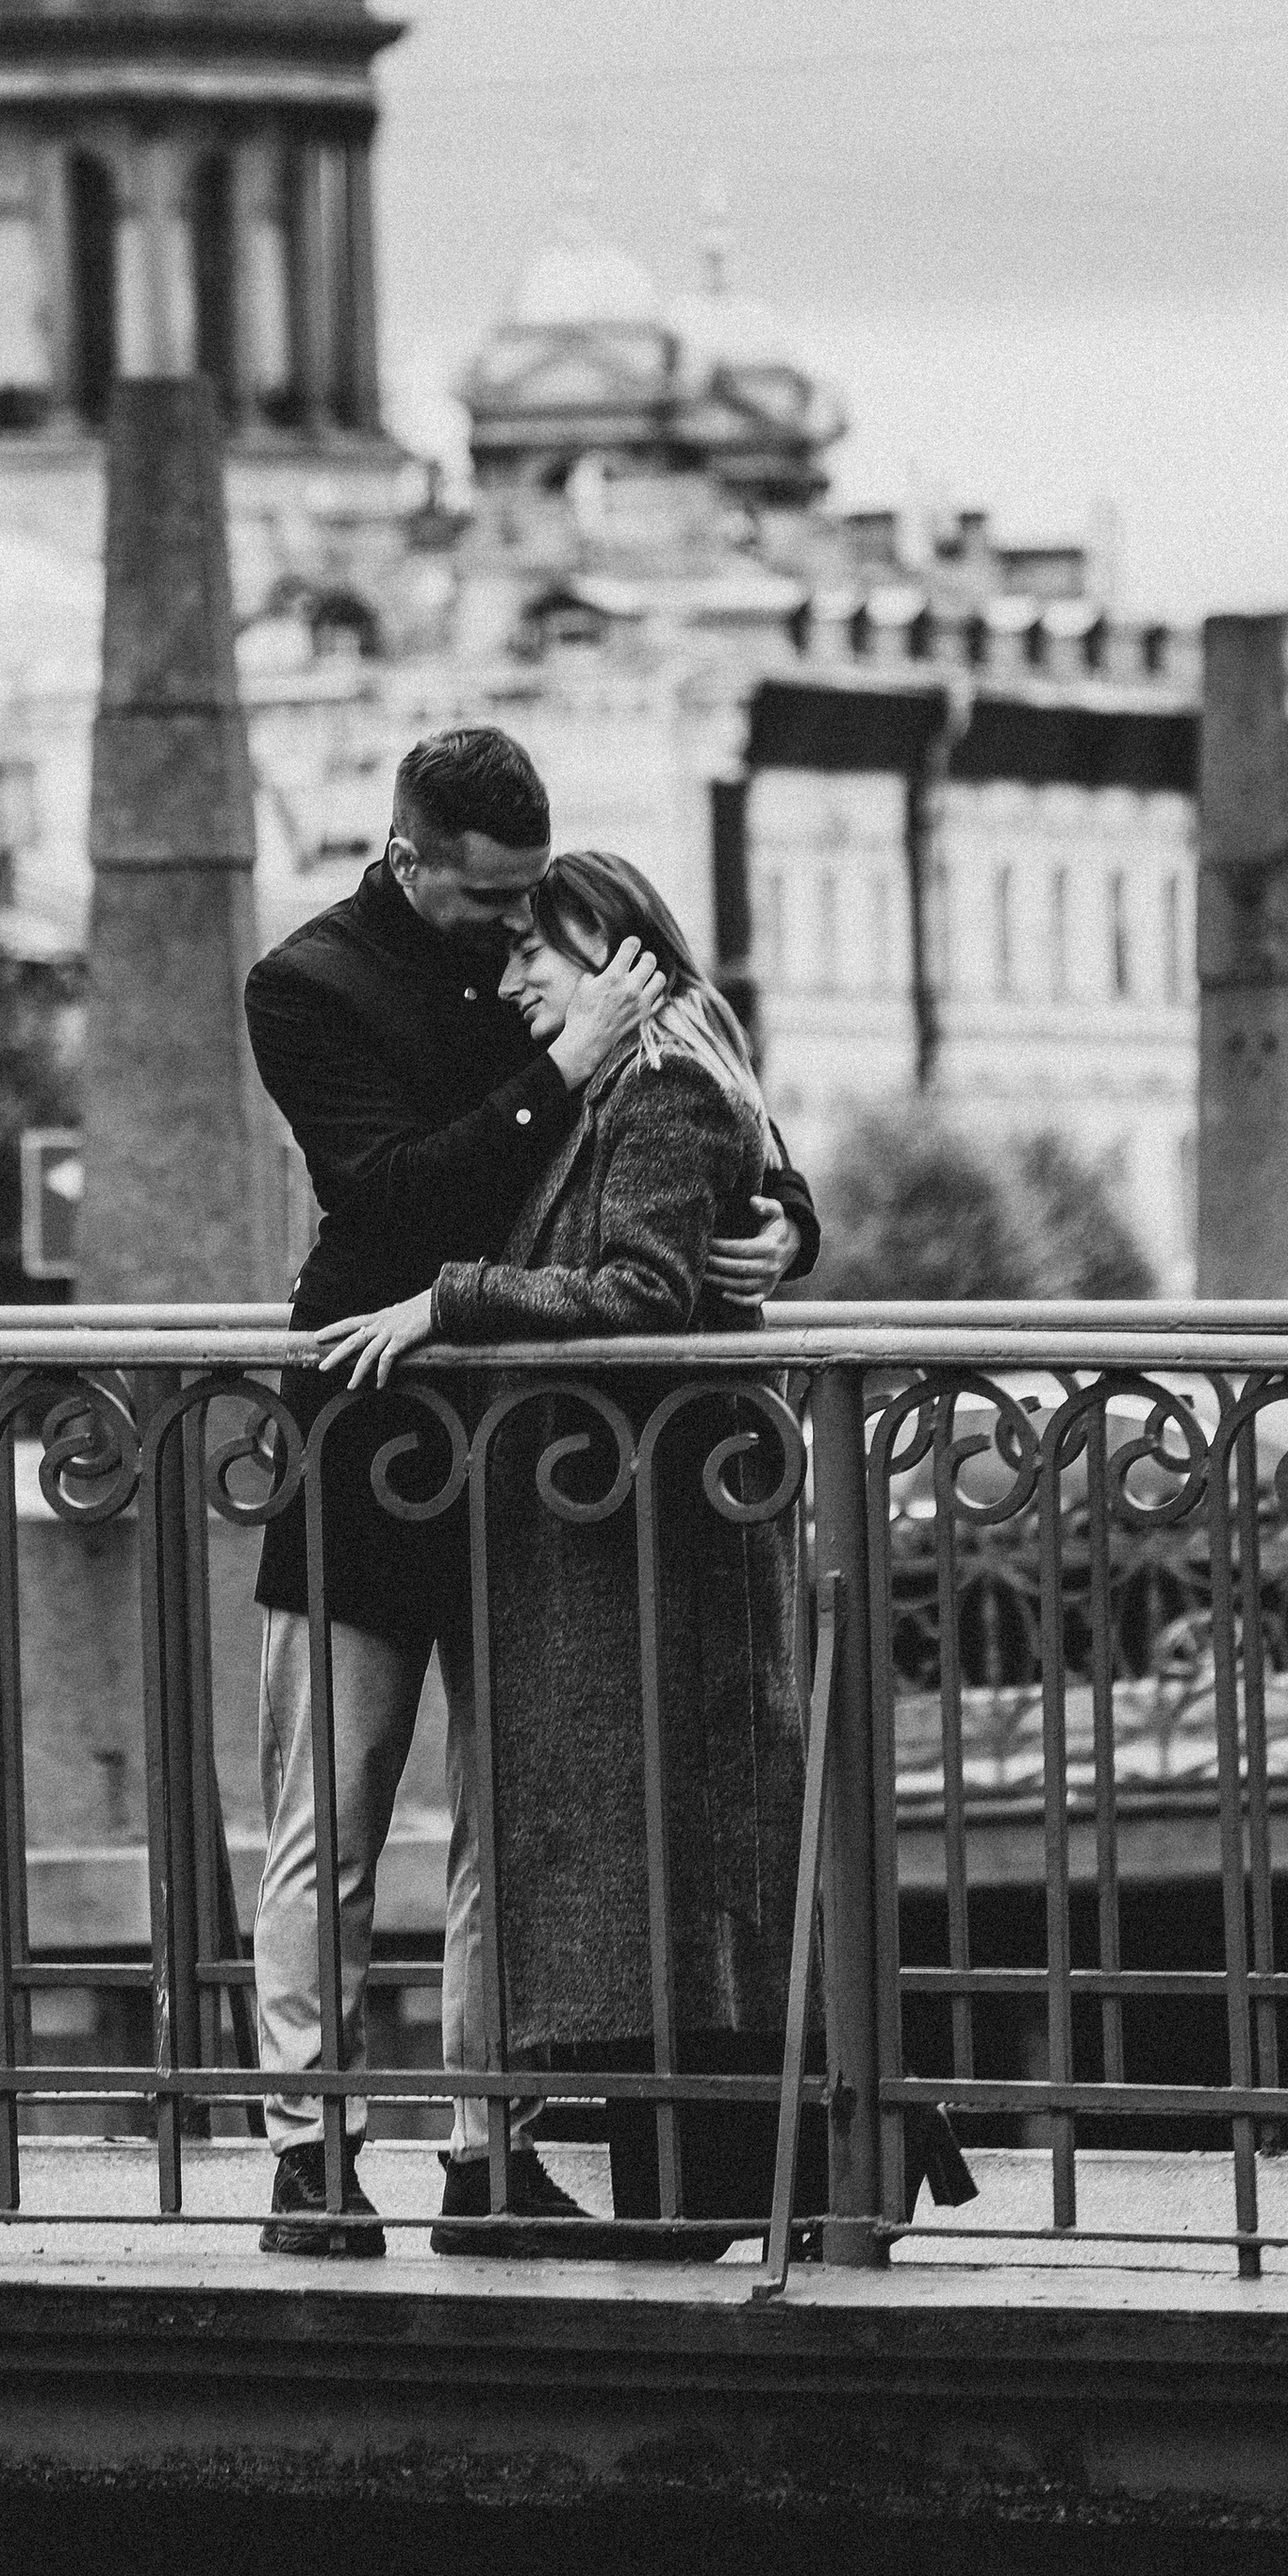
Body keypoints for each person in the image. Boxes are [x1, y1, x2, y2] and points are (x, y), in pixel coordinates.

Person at [320, 853, 985, 2246]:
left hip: (658, 1535)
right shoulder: (612, 1078)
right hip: (610, 1527)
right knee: (667, 1864)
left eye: (536, 959)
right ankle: (763, 2172)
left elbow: (638, 1285)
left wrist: (448, 1305)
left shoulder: (666, 1082)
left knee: (685, 1859)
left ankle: (776, 2171)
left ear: (621, 959)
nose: (510, 983)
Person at [244, 734, 818, 2255]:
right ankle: (311, 2151)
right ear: (408, 854)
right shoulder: (305, 985)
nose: (512, 935)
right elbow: (393, 1193)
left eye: (527, 907)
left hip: (536, 1468)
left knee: (517, 1828)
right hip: (370, 1433)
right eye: (486, 899)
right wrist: (554, 1069)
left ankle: (487, 2147)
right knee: (338, 1819)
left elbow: (691, 1110)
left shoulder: (562, 961)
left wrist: (782, 1229)